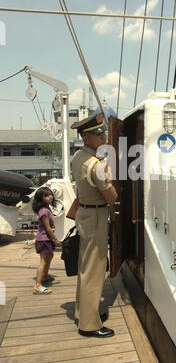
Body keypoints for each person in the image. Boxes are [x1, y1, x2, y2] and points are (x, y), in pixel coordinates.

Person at [71, 111, 118, 338]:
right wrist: (109, 179)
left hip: (85, 215)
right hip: (97, 217)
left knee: (85, 267)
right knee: (94, 271)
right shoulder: (96, 165)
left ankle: (83, 312)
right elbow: (111, 198)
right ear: (87, 137)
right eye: (98, 134)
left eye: (102, 133)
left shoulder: (78, 157)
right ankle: (89, 325)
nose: (103, 138)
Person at [32, 187, 61, 294]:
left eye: (50, 194)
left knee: (50, 256)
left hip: (46, 238)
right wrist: (56, 239)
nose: (50, 197)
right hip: (43, 238)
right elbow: (47, 228)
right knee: (43, 260)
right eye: (46, 195)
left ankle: (44, 276)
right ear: (40, 198)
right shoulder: (44, 210)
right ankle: (38, 285)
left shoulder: (47, 208)